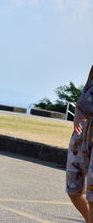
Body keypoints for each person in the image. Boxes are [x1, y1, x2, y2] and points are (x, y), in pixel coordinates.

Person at [66, 65, 93, 222]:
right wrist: (77, 111)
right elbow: (84, 96)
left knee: (92, 194)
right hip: (81, 133)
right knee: (73, 190)